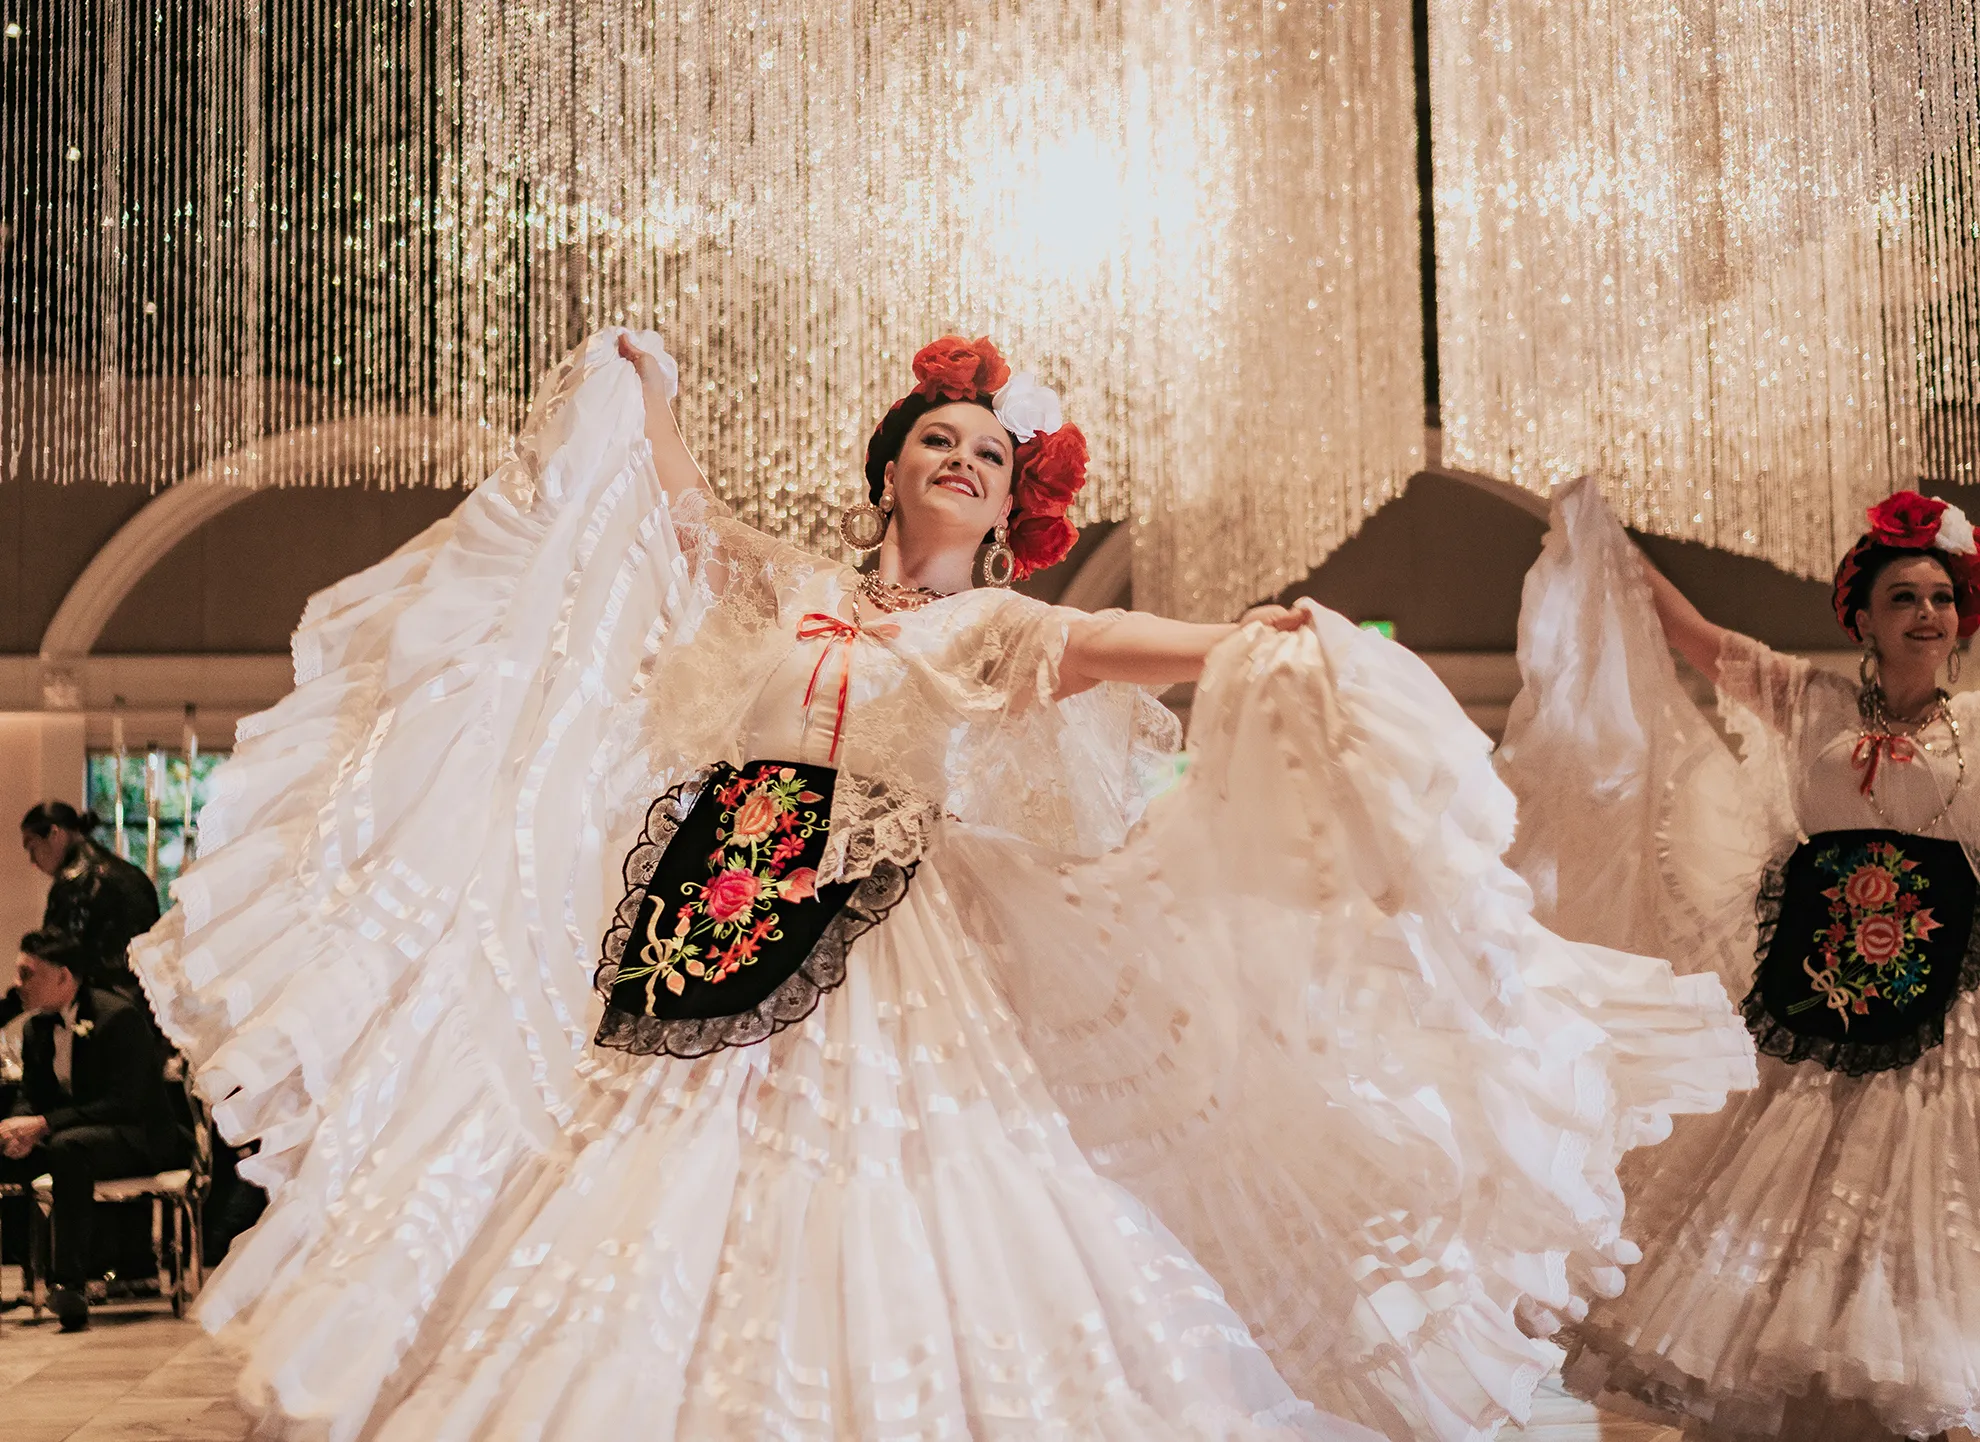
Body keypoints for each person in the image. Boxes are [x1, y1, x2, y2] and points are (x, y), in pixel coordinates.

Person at [129, 329, 1751, 1441]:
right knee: (650, 1188)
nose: (963, 461)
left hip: (896, 942)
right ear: (890, 469)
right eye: (937, 440)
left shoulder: (992, 631)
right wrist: (649, 380)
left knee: (900, 1200)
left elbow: (1121, 645)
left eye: (989, 451)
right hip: (719, 906)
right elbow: (676, 517)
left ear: (1012, 500)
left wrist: (1255, 640)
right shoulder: (787, 592)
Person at [1499, 479, 1980, 1441]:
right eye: (1903, 597)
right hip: (1817, 1005)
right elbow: (1690, 633)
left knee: (1927, 1213)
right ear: (1865, 617)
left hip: (1951, 1007)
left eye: (1941, 596)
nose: (1927, 614)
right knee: (1794, 1229)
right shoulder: (1813, 700)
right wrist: (1602, 532)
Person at [0, 928, 188, 1331]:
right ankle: (22, 1276)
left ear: (63, 977)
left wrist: (44, 1124)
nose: (17, 985)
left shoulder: (116, 1017)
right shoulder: (35, 1028)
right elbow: (29, 1094)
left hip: (138, 1137)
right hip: (77, 1136)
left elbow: (124, 1102)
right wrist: (16, 1125)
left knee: (69, 1148)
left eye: (26, 974)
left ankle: (69, 1285)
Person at [21, 801, 162, 997]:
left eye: (32, 847)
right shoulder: (127, 872)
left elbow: (56, 961)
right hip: (146, 1000)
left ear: (55, 834)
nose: (32, 861)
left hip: (102, 1005)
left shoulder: (74, 882)